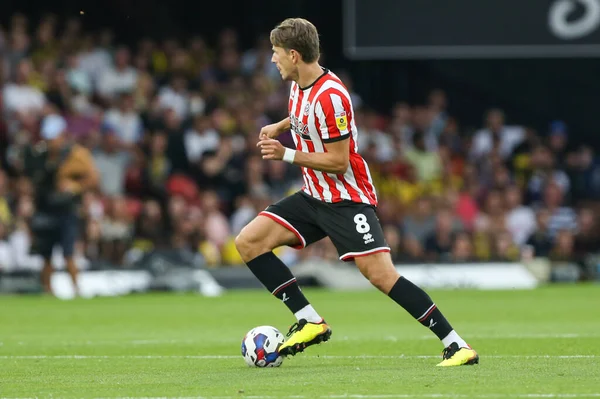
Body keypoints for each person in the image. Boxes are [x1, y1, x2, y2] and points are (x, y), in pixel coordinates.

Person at [235, 18, 478, 367]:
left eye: (275, 53)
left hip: (346, 200)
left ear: (293, 54)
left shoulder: (332, 96)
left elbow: (337, 161)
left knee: (381, 276)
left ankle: (457, 345)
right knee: (249, 242)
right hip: (313, 196)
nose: (272, 60)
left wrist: (286, 153)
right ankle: (309, 320)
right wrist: (281, 125)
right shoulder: (298, 85)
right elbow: (303, 115)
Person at [24, 114, 99, 296]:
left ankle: (77, 290)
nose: (50, 142)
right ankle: (47, 291)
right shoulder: (39, 155)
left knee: (68, 253)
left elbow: (93, 178)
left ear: (63, 135)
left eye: (53, 137)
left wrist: (75, 187)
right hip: (45, 210)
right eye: (48, 137)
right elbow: (31, 182)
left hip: (67, 210)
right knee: (45, 255)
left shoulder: (77, 154)